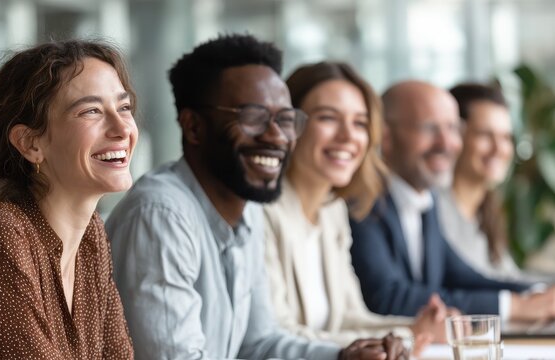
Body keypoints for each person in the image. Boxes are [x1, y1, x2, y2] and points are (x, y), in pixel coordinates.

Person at [106, 34, 408, 360]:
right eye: (253, 116)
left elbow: (259, 344)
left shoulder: (247, 210)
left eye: (284, 119)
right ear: (193, 127)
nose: (276, 136)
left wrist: (345, 356)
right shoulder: (162, 215)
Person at [0, 40, 137, 359]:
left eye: (124, 107)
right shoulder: (2, 234)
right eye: (91, 111)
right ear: (30, 143)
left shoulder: (92, 236)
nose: (122, 129)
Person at [263, 62, 448, 353]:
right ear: (290, 126)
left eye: (360, 123)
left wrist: (413, 329)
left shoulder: (332, 210)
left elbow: (350, 317)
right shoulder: (263, 213)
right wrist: (399, 341)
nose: (349, 136)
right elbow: (276, 333)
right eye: (328, 118)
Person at [349, 80, 555, 322]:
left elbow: (463, 277)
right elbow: (387, 297)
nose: (446, 143)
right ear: (385, 136)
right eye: (429, 128)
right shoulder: (360, 201)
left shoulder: (427, 199)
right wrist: (514, 307)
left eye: (453, 129)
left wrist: (536, 293)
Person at [436, 83, 523, 281]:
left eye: (506, 137)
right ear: (454, 136)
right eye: (485, 135)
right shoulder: (434, 209)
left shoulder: (487, 210)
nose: (499, 149)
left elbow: (510, 278)